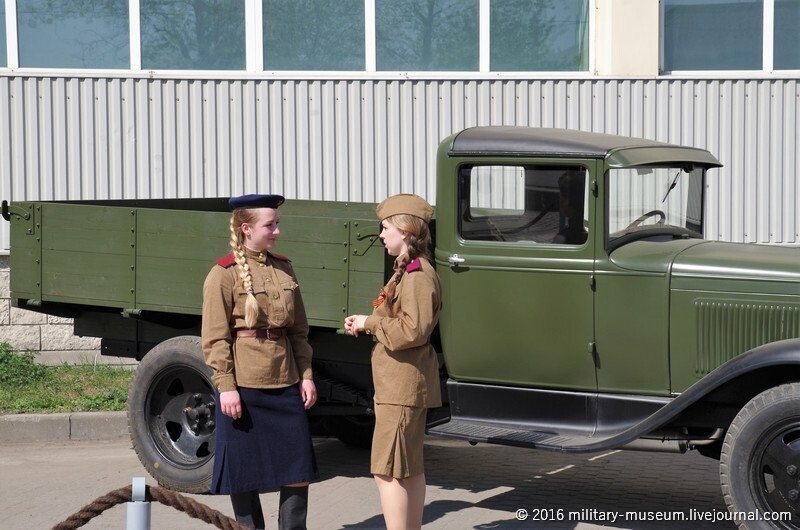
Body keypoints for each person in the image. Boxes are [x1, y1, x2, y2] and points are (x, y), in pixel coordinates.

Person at [202, 193, 318, 530]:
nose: (277, 231)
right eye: (270, 225)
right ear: (246, 228)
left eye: (277, 223)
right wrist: (226, 387)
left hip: (286, 384)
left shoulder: (284, 267)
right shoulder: (222, 274)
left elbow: (299, 331)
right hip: (245, 389)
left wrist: (306, 375)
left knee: (298, 472)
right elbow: (215, 338)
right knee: (244, 475)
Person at [343, 193, 442, 530]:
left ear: (405, 231)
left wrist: (370, 324)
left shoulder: (416, 275)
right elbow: (392, 312)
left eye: (386, 228)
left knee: (387, 471)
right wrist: (365, 320)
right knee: (408, 469)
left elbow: (412, 330)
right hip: (400, 383)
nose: (381, 234)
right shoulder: (405, 271)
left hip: (401, 385)